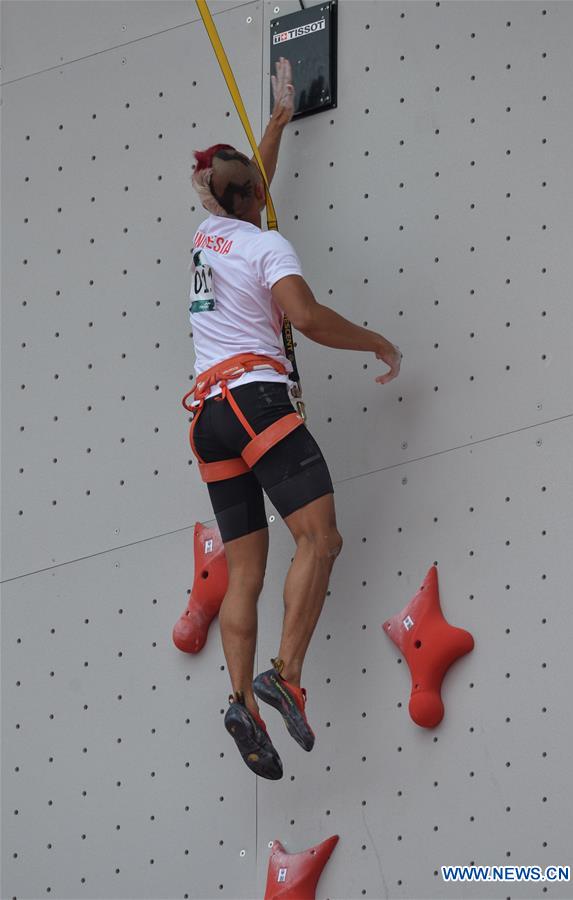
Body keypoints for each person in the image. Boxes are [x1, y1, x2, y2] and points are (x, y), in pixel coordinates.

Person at [186, 58, 402, 780]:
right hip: (255, 402)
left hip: (209, 419)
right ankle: (285, 673)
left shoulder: (206, 234)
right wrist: (373, 337)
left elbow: (244, 189)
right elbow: (304, 319)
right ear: (254, 197)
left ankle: (241, 700)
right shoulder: (265, 244)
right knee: (322, 538)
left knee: (245, 570)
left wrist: (276, 122)